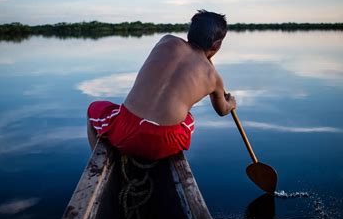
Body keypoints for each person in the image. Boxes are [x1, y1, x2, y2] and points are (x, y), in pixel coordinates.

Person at [87, 10, 236, 160]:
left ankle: (101, 162)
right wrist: (231, 104)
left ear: (190, 33)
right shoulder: (213, 77)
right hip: (165, 142)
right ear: (216, 45)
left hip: (125, 131)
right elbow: (223, 110)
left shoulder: (166, 40)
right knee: (188, 118)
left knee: (93, 109)